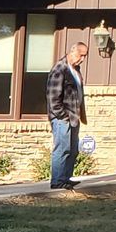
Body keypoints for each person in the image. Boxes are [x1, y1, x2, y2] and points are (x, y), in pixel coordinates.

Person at [46, 40, 89, 189]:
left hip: (74, 116)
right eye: (80, 55)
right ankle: (57, 181)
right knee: (62, 148)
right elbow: (53, 97)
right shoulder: (60, 69)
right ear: (72, 52)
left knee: (73, 149)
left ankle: (65, 178)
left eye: (85, 56)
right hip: (62, 118)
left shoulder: (76, 70)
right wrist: (62, 116)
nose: (82, 59)